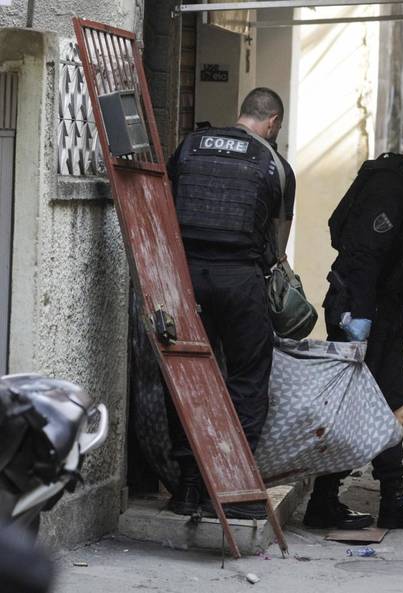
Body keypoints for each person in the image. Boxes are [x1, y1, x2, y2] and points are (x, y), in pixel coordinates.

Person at [302, 113, 403, 531]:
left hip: (382, 310)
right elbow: (364, 255)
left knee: (391, 404)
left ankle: (383, 498)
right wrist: (360, 322)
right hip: (361, 309)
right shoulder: (391, 182)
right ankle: (332, 500)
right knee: (363, 406)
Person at [166, 87, 295, 520]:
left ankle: (186, 485)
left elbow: (164, 205)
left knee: (187, 374)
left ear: (243, 113)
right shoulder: (274, 164)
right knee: (247, 379)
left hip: (186, 279)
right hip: (241, 279)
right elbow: (278, 243)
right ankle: (231, 488)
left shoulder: (189, 146)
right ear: (273, 121)